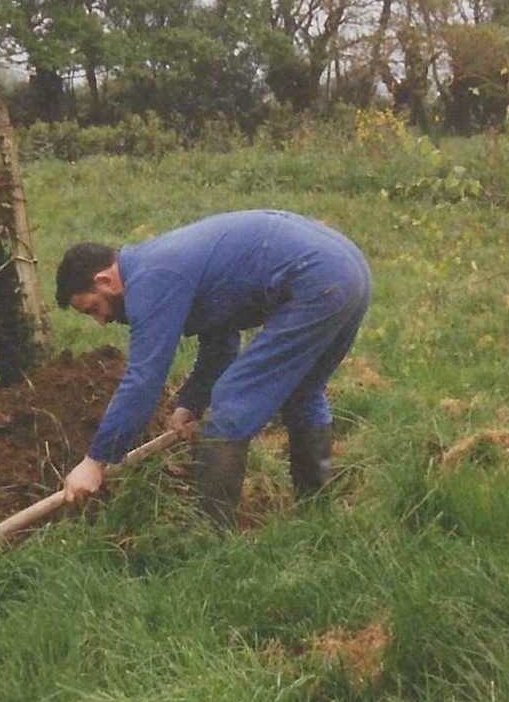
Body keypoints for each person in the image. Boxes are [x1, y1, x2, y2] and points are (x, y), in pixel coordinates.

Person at [56, 209, 371, 527]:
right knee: (303, 391)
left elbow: (144, 379)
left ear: (105, 280)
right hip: (346, 269)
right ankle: (316, 514)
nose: (101, 320)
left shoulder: (151, 278)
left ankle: (211, 534)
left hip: (315, 279)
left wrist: (96, 461)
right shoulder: (162, 263)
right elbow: (220, 340)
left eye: (93, 308)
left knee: (231, 403)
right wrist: (190, 403)